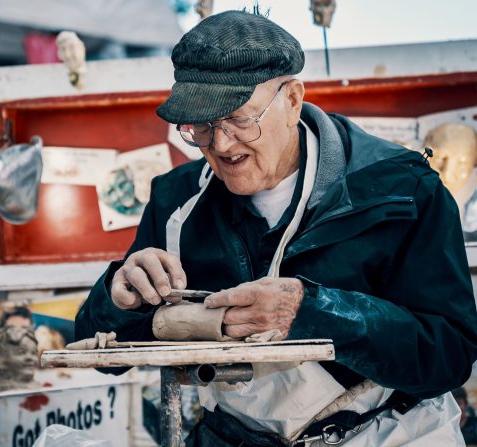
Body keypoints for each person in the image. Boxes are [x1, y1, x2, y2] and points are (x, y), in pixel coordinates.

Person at [75, 10, 477, 446]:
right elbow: (98, 351)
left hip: (387, 432)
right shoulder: (175, 199)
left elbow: (449, 357)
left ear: (292, 99)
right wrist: (119, 298)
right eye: (202, 126)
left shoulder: (403, 190)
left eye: (240, 119)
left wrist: (314, 312)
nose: (222, 144)